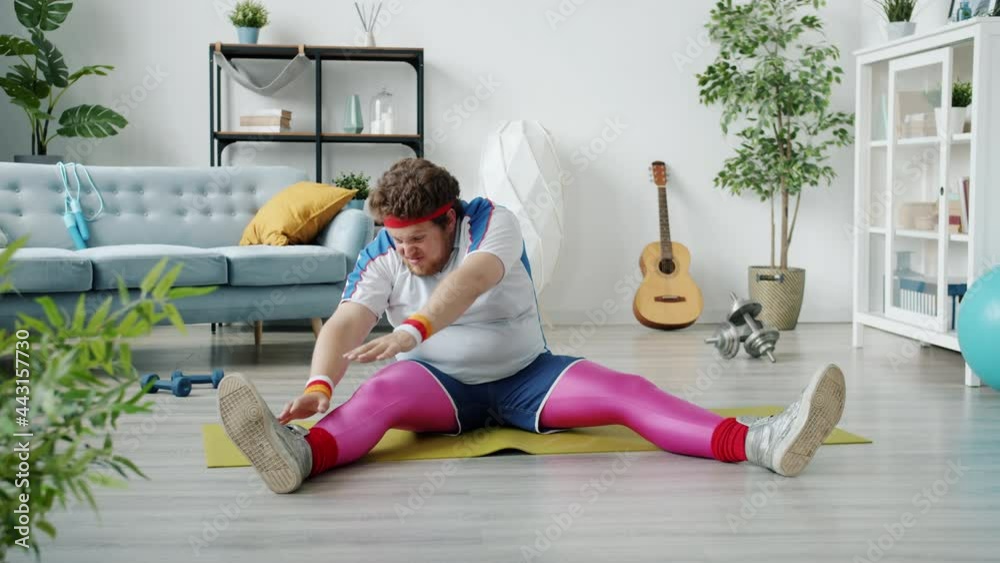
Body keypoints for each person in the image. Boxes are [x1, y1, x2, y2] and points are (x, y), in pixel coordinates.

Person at [217, 158, 847, 494]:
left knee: (628, 392)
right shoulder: (385, 250)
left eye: (417, 241)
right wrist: (320, 384)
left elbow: (471, 282)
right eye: (398, 241)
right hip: (435, 385)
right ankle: (301, 454)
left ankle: (760, 443)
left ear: (449, 220)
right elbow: (346, 322)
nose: (406, 253)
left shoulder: (493, 222)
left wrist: (412, 330)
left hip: (527, 376)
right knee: (378, 393)